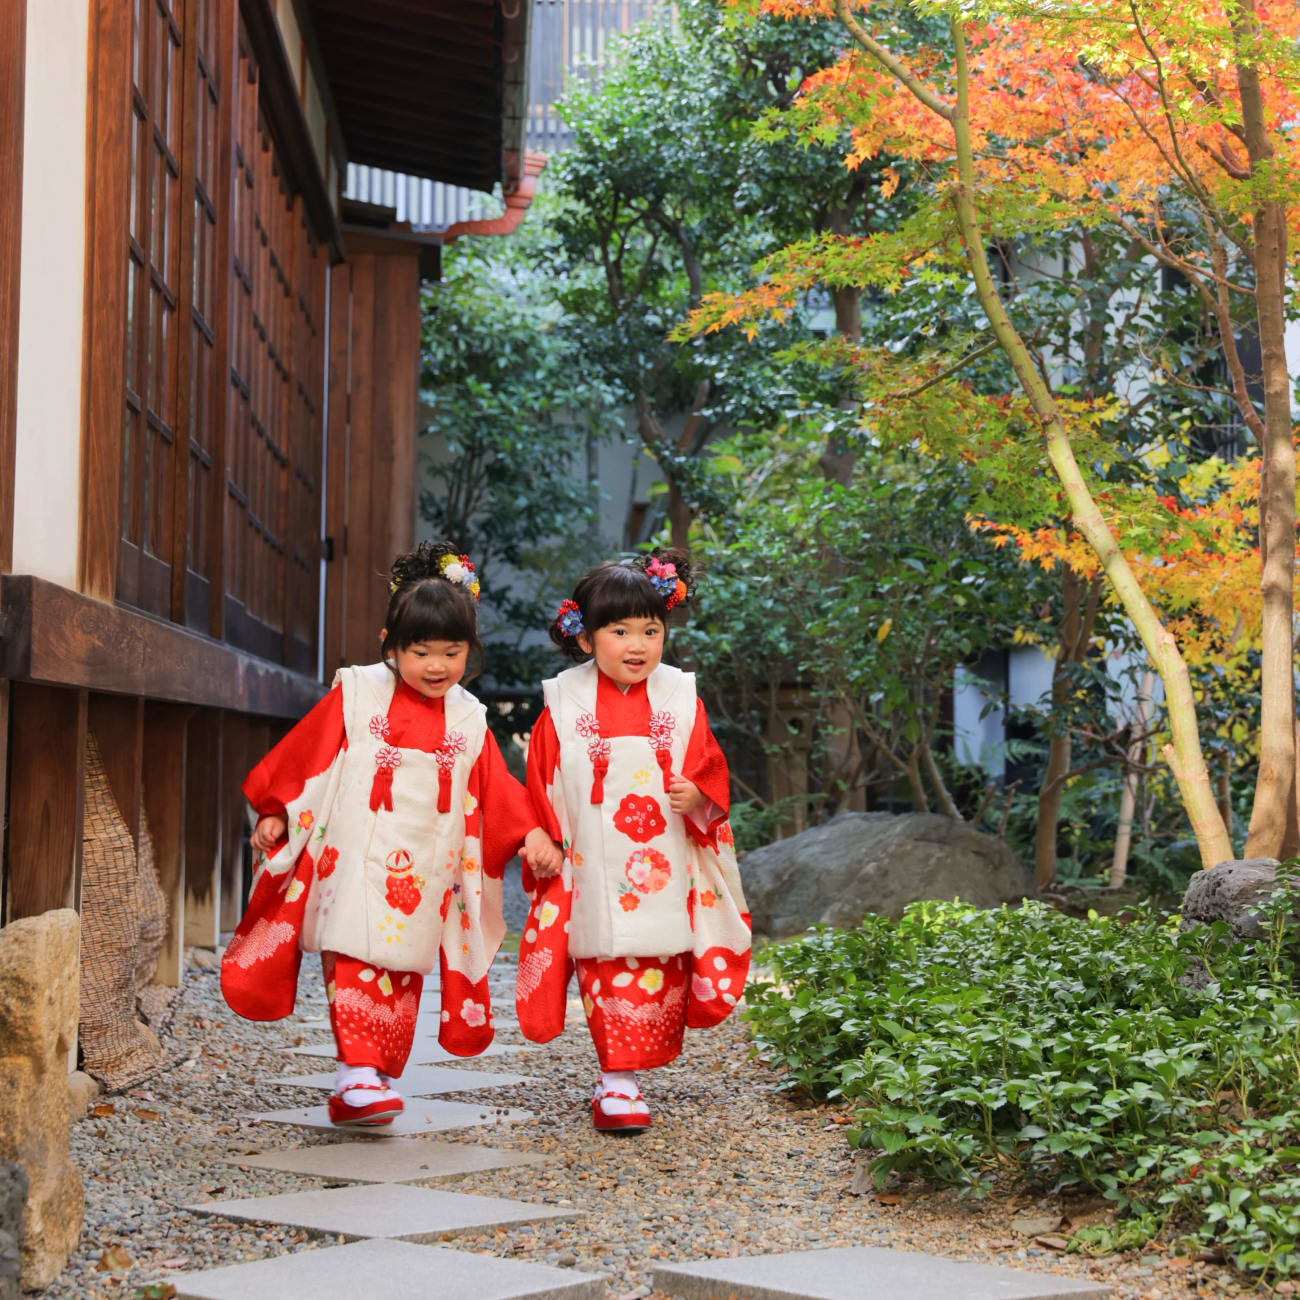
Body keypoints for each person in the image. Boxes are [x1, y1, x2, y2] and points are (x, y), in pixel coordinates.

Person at [221, 541, 561, 1127]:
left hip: (426, 865)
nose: (436, 666)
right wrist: (277, 808)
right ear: (390, 647)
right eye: (420, 651)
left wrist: (529, 831)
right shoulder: (358, 694)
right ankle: (354, 1073)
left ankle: (374, 1073)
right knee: (354, 952)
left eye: (452, 653)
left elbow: (495, 787)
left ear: (469, 652)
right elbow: (310, 754)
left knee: (402, 969)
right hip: (353, 856)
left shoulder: (467, 718)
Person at [518, 548, 751, 1134]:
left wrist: (699, 797)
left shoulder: (679, 695)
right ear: (585, 636)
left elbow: (709, 766)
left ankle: (628, 1075)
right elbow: (542, 773)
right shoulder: (564, 699)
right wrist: (540, 832)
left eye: (651, 630)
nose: (638, 645)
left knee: (658, 959)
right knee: (604, 956)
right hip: (593, 860)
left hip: (665, 860)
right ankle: (616, 1078)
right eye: (619, 630)